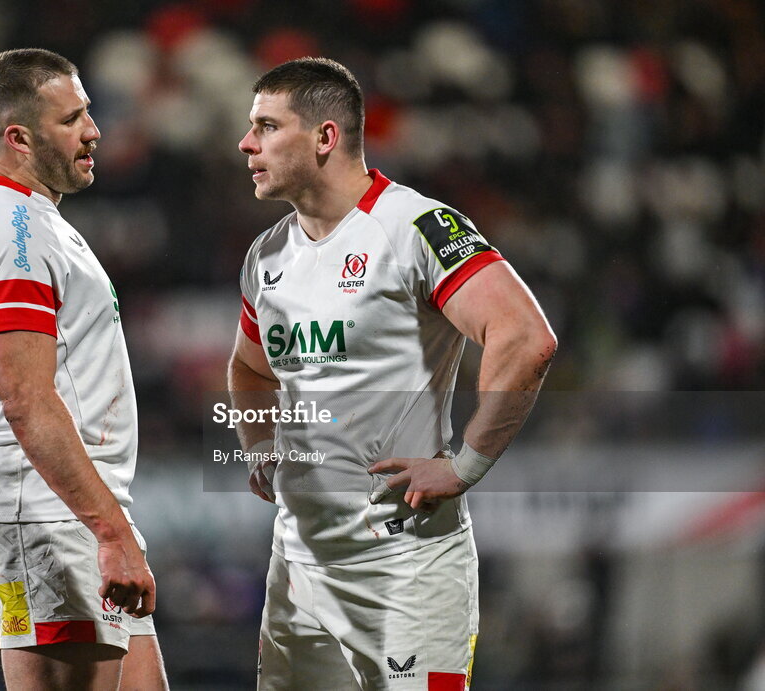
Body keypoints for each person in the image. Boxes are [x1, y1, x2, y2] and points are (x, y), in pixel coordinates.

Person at [228, 57, 557, 690]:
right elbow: (248, 369)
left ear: (326, 137)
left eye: (267, 126)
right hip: (297, 569)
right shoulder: (267, 253)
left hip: (405, 568)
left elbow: (525, 338)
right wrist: (260, 448)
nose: (246, 143)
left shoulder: (415, 227)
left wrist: (463, 466)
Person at [0, 48, 167, 690]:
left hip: (50, 515)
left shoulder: (10, 217)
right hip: (49, 510)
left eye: (88, 113)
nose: (94, 131)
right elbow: (25, 399)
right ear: (18, 138)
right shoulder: (15, 229)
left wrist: (29, 560)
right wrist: (104, 533)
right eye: (72, 120)